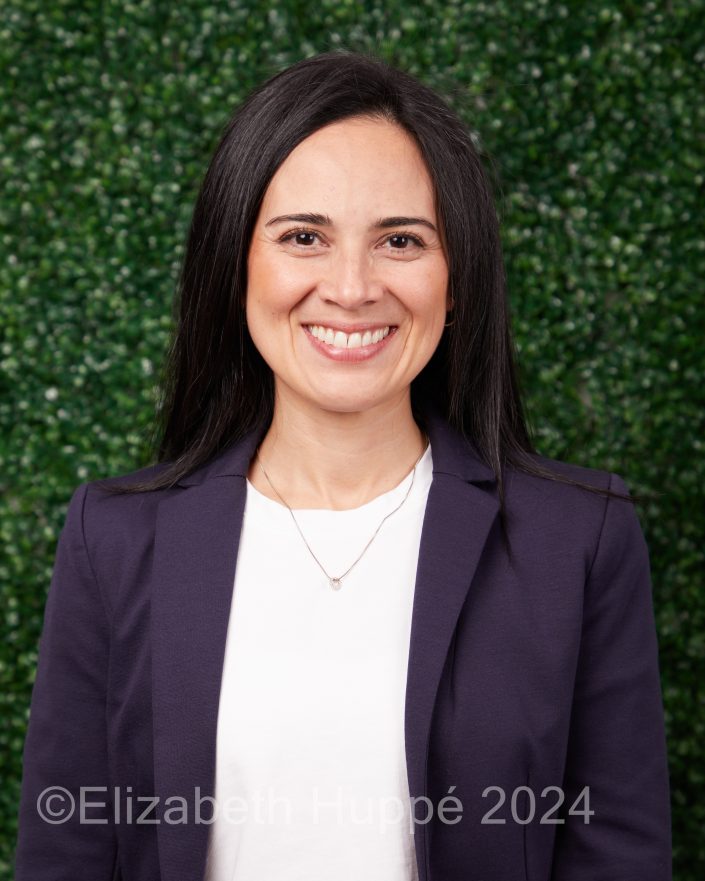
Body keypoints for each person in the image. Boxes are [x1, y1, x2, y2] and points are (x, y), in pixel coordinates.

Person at [14, 49, 671, 881]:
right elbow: (65, 853)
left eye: (400, 239)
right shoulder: (112, 540)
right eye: (303, 237)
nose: (351, 287)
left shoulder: (577, 540)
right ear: (236, 265)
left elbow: (617, 856)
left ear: (455, 277)